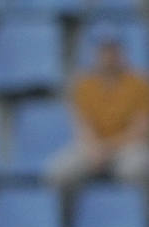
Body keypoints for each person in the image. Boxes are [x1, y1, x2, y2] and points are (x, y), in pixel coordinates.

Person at [46, 25, 149, 191]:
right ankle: (71, 215)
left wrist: (108, 148)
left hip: (127, 146)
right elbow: (81, 125)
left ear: (122, 52)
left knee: (135, 168)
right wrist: (95, 147)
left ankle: (133, 214)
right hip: (93, 147)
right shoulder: (84, 85)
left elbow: (140, 129)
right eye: (104, 50)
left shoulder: (139, 83)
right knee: (57, 171)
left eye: (113, 49)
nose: (109, 55)